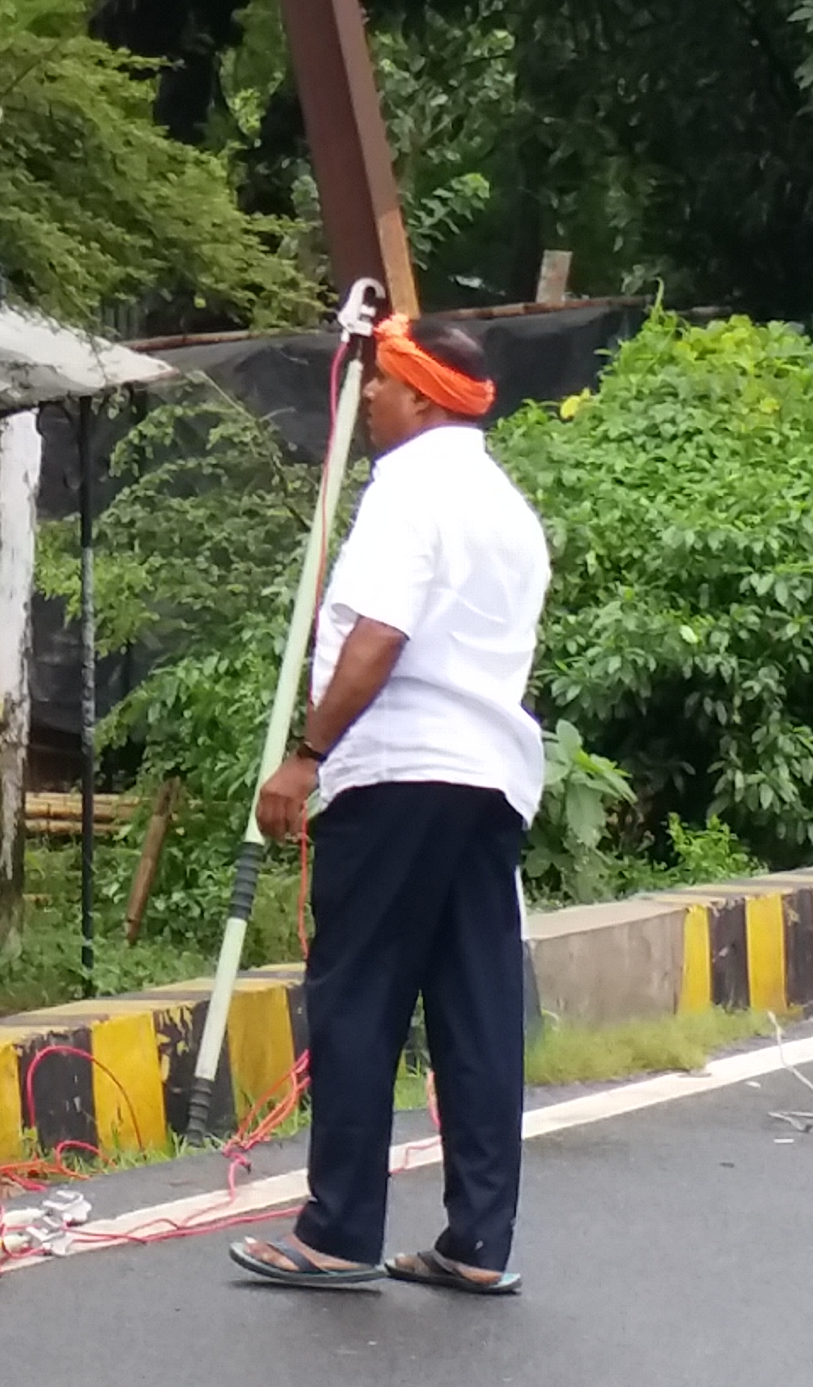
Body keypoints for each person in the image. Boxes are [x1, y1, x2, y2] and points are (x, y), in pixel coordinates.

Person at [226, 311, 551, 1298]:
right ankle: (478, 1243)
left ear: (417, 394)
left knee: (358, 995)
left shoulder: (408, 491)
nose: (364, 396)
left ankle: (337, 1231)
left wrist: (307, 754)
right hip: (489, 780)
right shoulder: (506, 506)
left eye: (378, 383)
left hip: (400, 771)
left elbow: (381, 632)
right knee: (477, 1012)